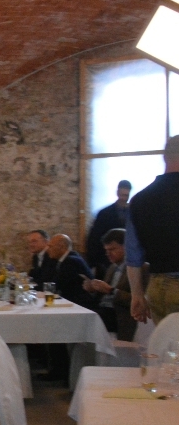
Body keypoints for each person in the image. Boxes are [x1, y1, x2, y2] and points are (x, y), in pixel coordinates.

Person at [127, 136, 179, 324]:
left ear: (164, 157)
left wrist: (137, 294)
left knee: (167, 342)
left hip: (157, 286)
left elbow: (133, 255)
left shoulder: (139, 200)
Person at [82, 229, 134, 341]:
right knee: (78, 313)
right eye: (106, 250)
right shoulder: (112, 267)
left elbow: (138, 300)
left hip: (119, 313)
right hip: (105, 309)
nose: (108, 254)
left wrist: (111, 290)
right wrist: (93, 289)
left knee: (82, 320)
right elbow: (103, 295)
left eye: (112, 249)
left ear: (126, 247)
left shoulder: (138, 269)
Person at [85, 180, 131, 272]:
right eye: (122, 195)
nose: (123, 199)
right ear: (117, 193)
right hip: (106, 261)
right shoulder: (104, 214)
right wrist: (94, 262)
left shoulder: (133, 213)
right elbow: (94, 238)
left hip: (128, 260)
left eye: (126, 196)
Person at [47, 233, 95, 309]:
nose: (48, 249)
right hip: (73, 302)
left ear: (62, 246)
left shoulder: (70, 261)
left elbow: (57, 285)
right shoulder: (69, 258)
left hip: (80, 305)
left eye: (50, 246)